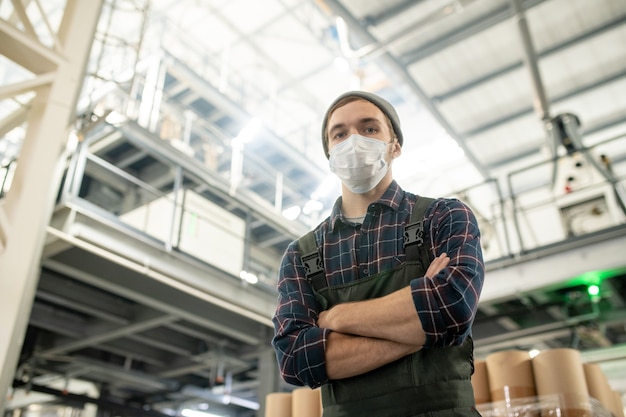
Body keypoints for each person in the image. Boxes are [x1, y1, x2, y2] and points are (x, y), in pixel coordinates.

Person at [271, 90, 485, 417]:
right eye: (340, 134)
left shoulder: (443, 217)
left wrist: (336, 318)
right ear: (330, 154)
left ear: (394, 145)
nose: (353, 140)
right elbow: (296, 360)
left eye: (369, 129)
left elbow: (450, 309)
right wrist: (420, 329)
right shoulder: (302, 255)